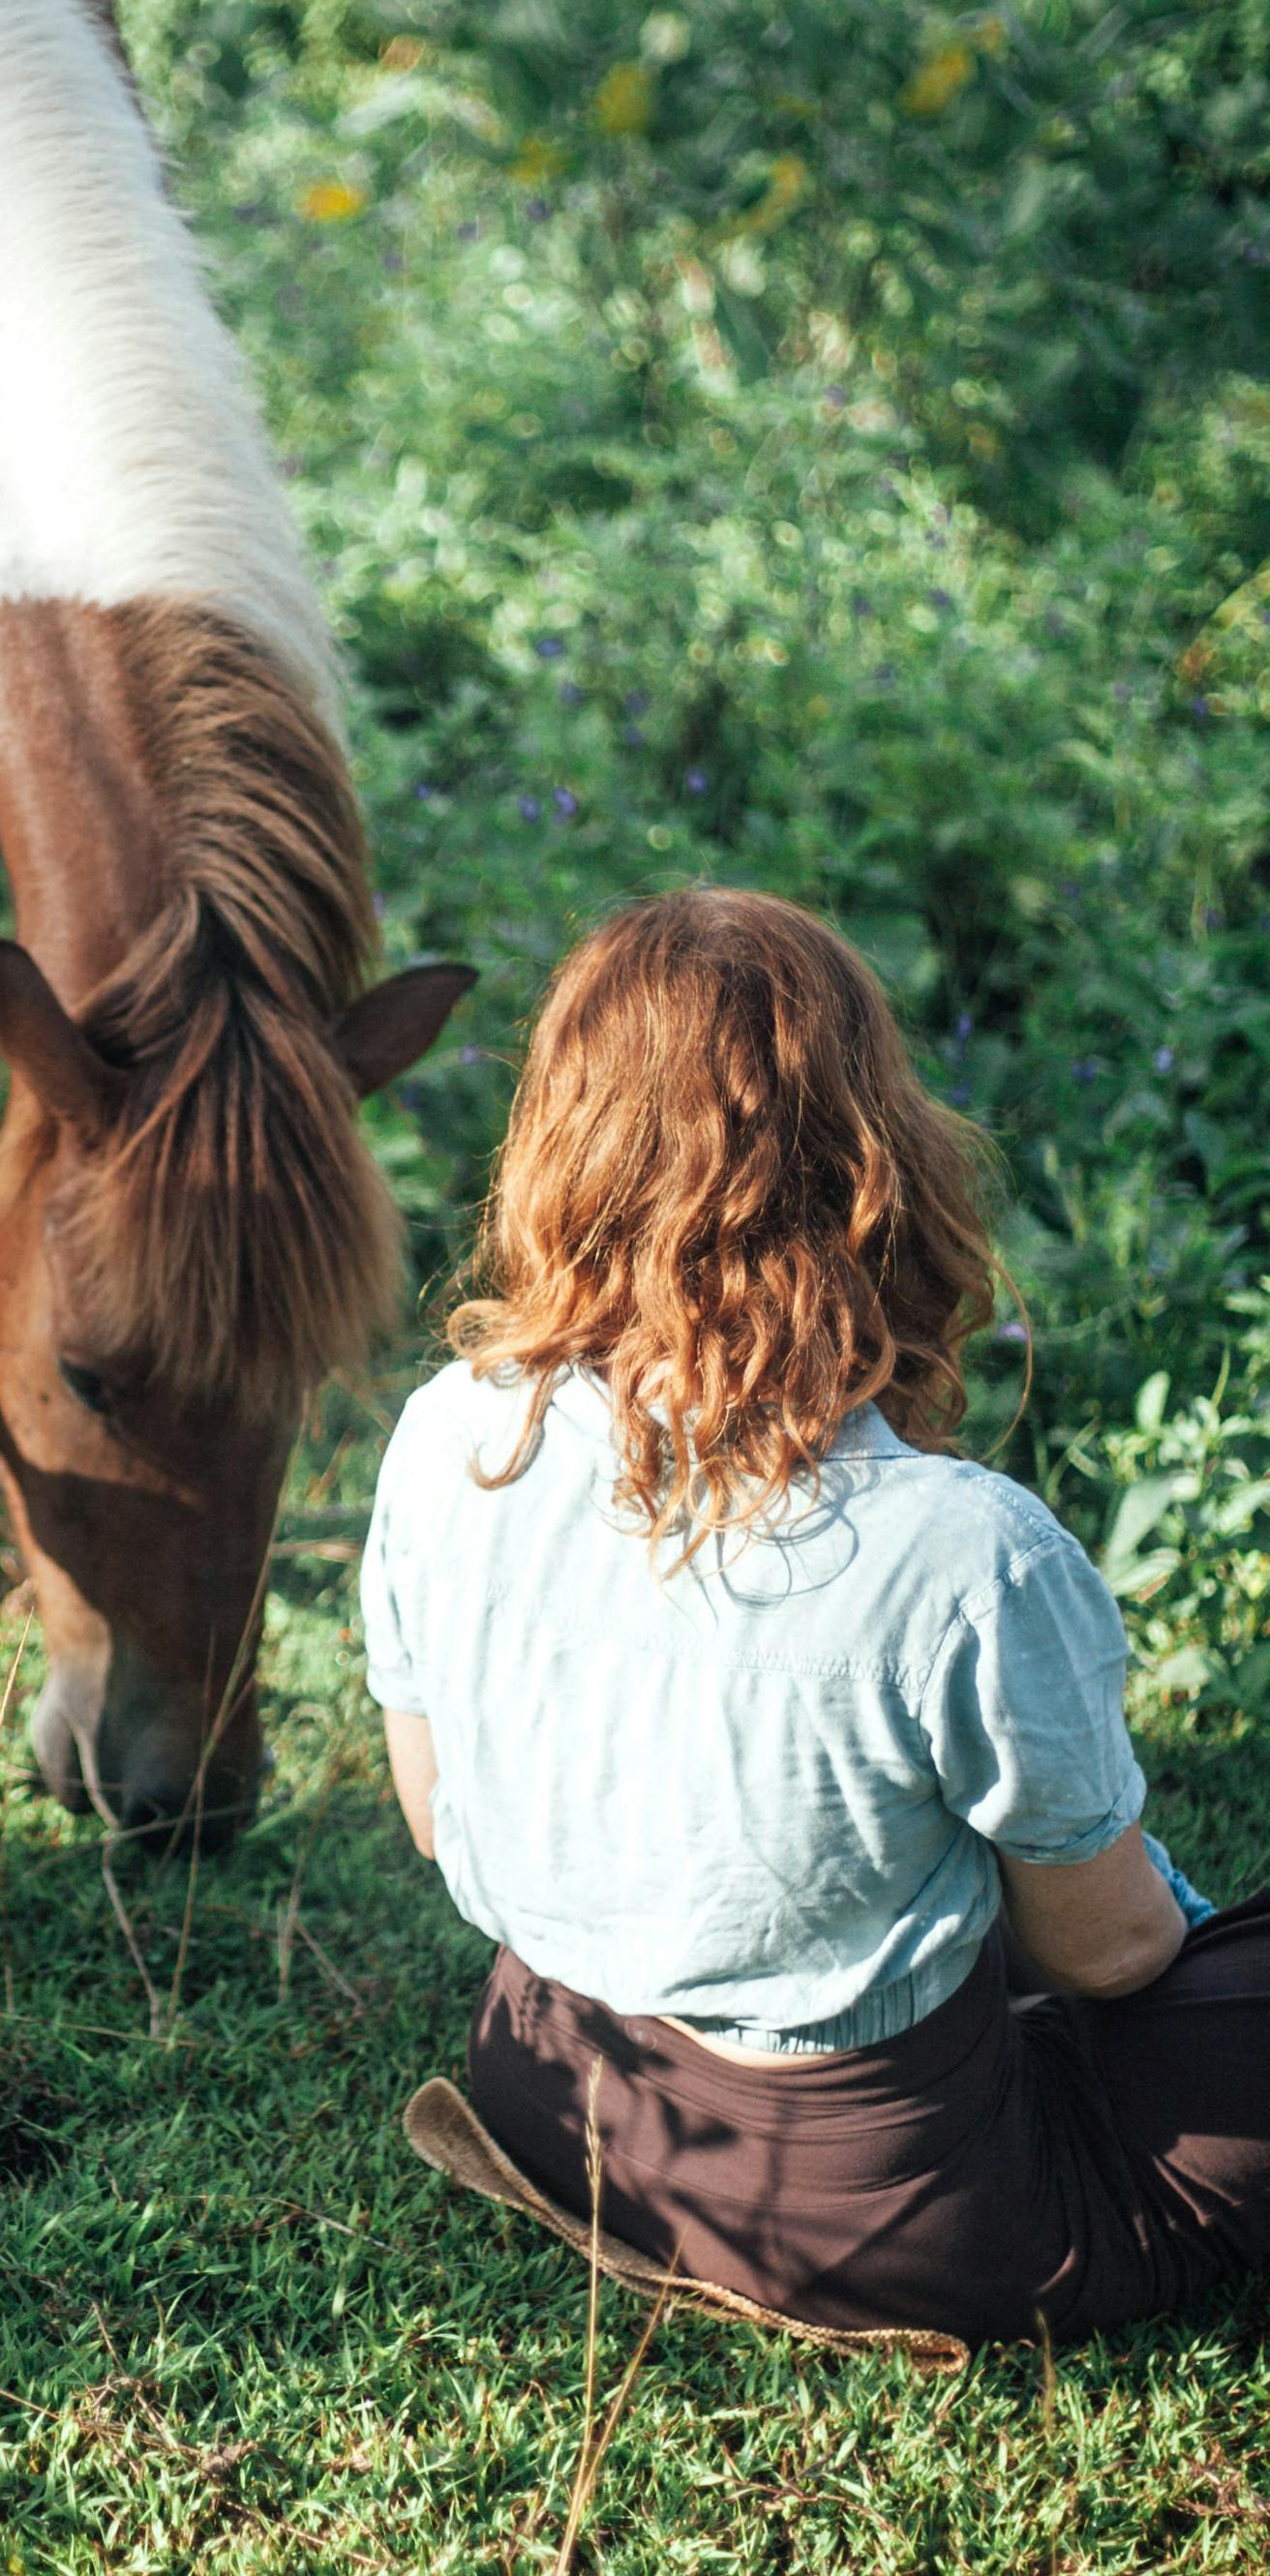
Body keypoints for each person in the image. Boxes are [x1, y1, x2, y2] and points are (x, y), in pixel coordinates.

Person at [365, 887, 1266, 2344]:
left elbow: (427, 1811)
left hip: (547, 2086)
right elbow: (1111, 1958)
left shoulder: (451, 1432)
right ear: (873, 1154)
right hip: (885, 2209)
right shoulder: (966, 1549)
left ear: (560, 1143)